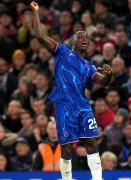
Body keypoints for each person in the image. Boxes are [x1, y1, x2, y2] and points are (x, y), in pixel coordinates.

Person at [30, 1, 112, 180]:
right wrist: (36, 12)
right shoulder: (62, 52)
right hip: (64, 106)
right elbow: (39, 35)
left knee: (91, 141)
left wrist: (109, 74)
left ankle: (97, 178)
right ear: (73, 41)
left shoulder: (89, 66)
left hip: (83, 106)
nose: (84, 39)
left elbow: (104, 82)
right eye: (81, 37)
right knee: (66, 146)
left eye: (87, 38)